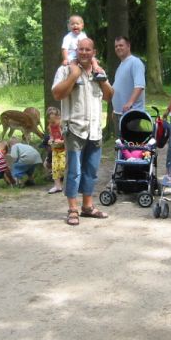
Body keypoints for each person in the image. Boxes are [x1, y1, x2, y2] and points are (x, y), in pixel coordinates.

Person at [52, 38, 114, 226]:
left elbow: (109, 96)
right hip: (74, 129)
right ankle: (72, 209)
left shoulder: (98, 71)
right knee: (74, 171)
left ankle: (87, 206)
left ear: (94, 52)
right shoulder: (65, 70)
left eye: (88, 49)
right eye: (81, 49)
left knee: (91, 170)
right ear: (76, 51)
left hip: (95, 129)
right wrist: (74, 75)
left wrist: (101, 77)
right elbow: (57, 94)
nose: (84, 52)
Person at [111, 36, 146, 135]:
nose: (118, 48)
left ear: (128, 46)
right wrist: (115, 109)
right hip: (119, 113)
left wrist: (130, 102)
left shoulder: (135, 62)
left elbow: (139, 85)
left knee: (133, 143)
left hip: (132, 113)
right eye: (116, 46)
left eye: (121, 45)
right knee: (121, 143)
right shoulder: (121, 65)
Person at [46, 106, 65, 194]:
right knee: (55, 168)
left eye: (53, 122)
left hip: (63, 149)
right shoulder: (50, 126)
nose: (52, 124)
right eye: (50, 121)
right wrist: (51, 140)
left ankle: (67, 184)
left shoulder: (61, 126)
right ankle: (57, 186)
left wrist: (61, 141)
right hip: (55, 149)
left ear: (59, 118)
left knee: (62, 166)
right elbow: (51, 136)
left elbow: (67, 139)